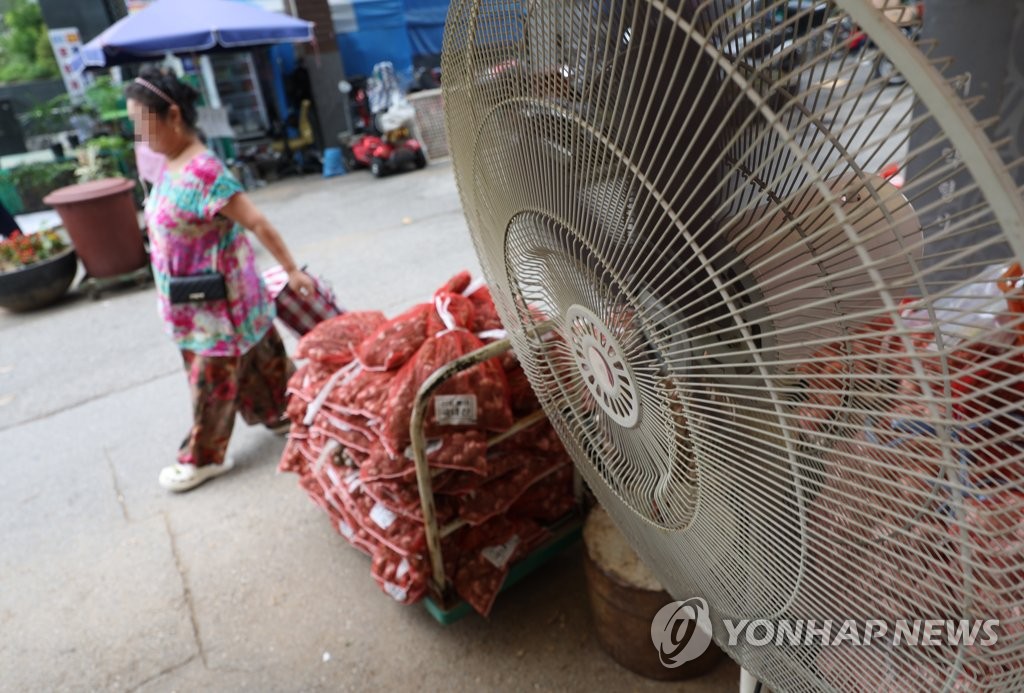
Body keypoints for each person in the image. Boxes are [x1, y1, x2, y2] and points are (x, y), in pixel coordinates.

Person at [125, 68, 315, 493]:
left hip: (219, 311)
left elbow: (257, 222)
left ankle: (204, 457)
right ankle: (289, 413)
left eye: (143, 122)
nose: (138, 133)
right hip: (202, 304)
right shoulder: (168, 163)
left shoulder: (205, 171)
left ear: (172, 115)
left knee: (212, 384)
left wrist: (292, 270)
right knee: (265, 363)